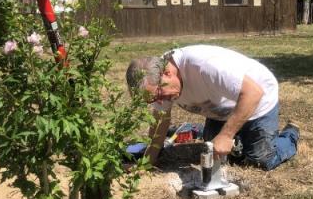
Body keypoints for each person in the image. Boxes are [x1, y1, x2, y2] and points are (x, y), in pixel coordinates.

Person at [126, 45, 299, 170]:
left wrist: (226, 135)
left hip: (258, 100)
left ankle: (291, 134)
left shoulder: (205, 66)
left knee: (260, 159)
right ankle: (238, 137)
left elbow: (253, 92)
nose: (160, 100)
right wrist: (147, 161)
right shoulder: (157, 80)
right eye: (153, 99)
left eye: (159, 94)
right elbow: (160, 121)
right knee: (217, 155)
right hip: (222, 111)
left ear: (167, 73)